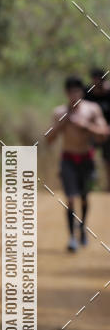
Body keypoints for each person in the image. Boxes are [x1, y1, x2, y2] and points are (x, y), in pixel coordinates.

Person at [46, 76, 109, 250]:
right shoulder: (59, 112)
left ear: (82, 92)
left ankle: (82, 227)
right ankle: (71, 237)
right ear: (66, 93)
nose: (74, 95)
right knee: (71, 199)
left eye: (77, 91)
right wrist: (62, 124)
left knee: (84, 197)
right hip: (68, 160)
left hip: (87, 159)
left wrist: (86, 126)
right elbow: (49, 139)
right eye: (70, 91)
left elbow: (104, 133)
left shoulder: (92, 110)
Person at [85, 67, 110, 192]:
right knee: (87, 156)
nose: (96, 83)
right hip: (91, 132)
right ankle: (88, 185)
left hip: (108, 133)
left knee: (108, 160)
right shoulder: (87, 93)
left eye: (98, 80)